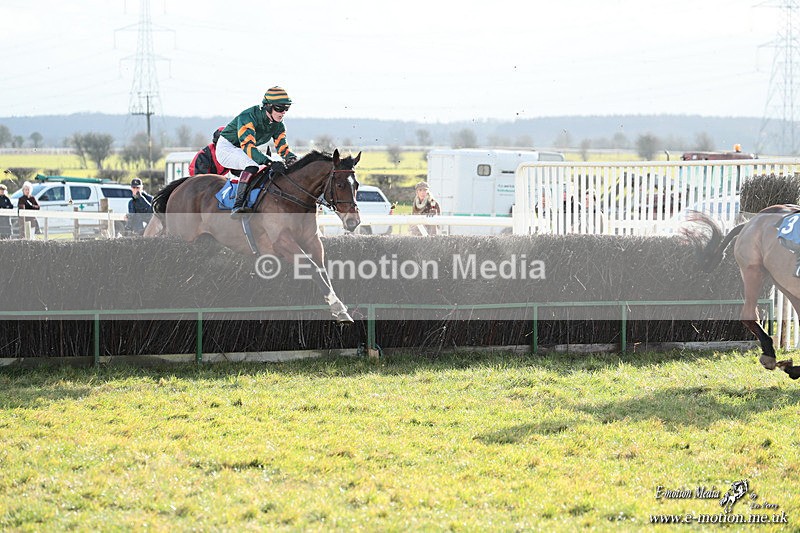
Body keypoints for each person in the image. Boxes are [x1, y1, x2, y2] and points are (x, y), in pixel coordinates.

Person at [216, 86, 299, 217]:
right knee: (253, 165)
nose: (283, 112)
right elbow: (248, 146)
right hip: (227, 148)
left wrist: (292, 159)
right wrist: (269, 162)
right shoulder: (248, 117)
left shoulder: (279, 125)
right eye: (279, 108)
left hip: (243, 150)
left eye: (286, 108)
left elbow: (282, 147)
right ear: (268, 106)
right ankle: (238, 205)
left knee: (267, 170)